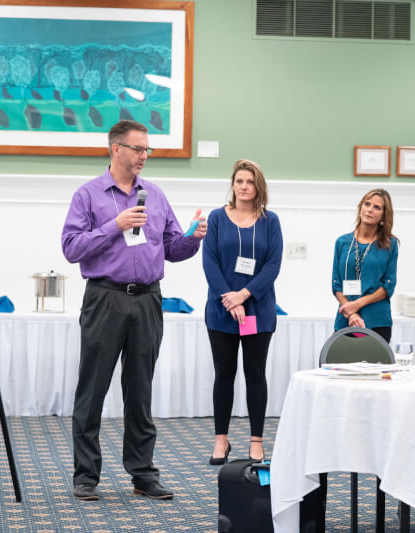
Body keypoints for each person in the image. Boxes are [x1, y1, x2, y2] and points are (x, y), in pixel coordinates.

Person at [61, 120, 207, 502]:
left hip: (148, 300)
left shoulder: (155, 195)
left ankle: (143, 473)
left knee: (140, 390)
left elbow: (173, 248)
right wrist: (114, 226)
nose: (144, 156)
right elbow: (72, 248)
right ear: (116, 149)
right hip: (105, 298)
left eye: (147, 150)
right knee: (92, 388)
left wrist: (192, 237)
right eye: (138, 149)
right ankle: (86, 476)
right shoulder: (88, 195)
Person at [202, 160, 283, 465]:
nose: (244, 186)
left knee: (255, 376)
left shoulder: (270, 221)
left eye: (250, 181)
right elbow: (209, 261)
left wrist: (244, 295)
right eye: (239, 181)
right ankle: (221, 441)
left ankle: (256, 441)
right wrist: (229, 299)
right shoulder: (217, 218)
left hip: (257, 312)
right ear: (233, 185)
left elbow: (273, 265)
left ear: (258, 186)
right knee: (224, 375)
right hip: (222, 312)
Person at [331, 189, 398, 341]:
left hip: (377, 320)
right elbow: (336, 284)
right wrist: (352, 312)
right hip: (346, 319)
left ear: (383, 215)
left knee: (376, 365)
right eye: (367, 204)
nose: (370, 209)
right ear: (361, 207)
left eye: (377, 207)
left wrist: (357, 304)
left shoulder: (390, 245)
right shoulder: (342, 242)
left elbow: (389, 286)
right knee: (338, 364)